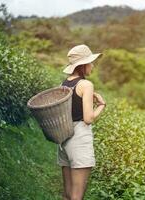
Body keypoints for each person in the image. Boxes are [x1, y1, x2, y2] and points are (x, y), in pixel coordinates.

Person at [57, 44, 106, 200]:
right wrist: (101, 105)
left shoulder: (64, 84)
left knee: (67, 195)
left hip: (64, 139)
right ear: (83, 65)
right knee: (77, 196)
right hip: (79, 138)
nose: (92, 66)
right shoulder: (85, 85)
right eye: (91, 62)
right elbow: (88, 118)